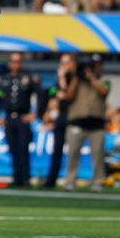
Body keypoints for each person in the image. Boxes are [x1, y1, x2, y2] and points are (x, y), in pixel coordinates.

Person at [64, 54, 110, 192]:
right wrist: (75, 76)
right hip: (77, 121)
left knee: (97, 155)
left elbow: (103, 92)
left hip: (97, 123)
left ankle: (97, 181)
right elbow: (69, 96)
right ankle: (70, 181)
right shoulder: (76, 80)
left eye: (96, 65)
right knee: (73, 153)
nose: (94, 68)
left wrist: (91, 78)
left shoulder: (105, 80)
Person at [0, 53, 39, 188]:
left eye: (18, 61)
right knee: (13, 149)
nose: (15, 64)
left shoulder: (29, 78)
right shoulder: (3, 79)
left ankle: (25, 178)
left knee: (23, 148)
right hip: (9, 118)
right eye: (13, 62)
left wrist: (35, 114)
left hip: (23, 118)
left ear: (22, 63)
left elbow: (41, 94)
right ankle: (16, 177)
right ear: (10, 63)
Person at [43, 53, 75, 188]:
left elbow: (68, 95)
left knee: (73, 151)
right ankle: (51, 180)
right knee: (57, 150)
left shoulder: (75, 78)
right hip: (61, 116)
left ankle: (70, 181)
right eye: (61, 63)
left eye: (65, 63)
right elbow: (53, 93)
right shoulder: (59, 79)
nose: (62, 66)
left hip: (73, 117)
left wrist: (62, 81)